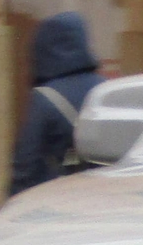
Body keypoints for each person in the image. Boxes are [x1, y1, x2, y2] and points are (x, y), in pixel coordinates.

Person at [9, 11, 105, 194]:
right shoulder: (107, 89)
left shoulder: (44, 99)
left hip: (60, 202)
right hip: (104, 201)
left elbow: (26, 164)